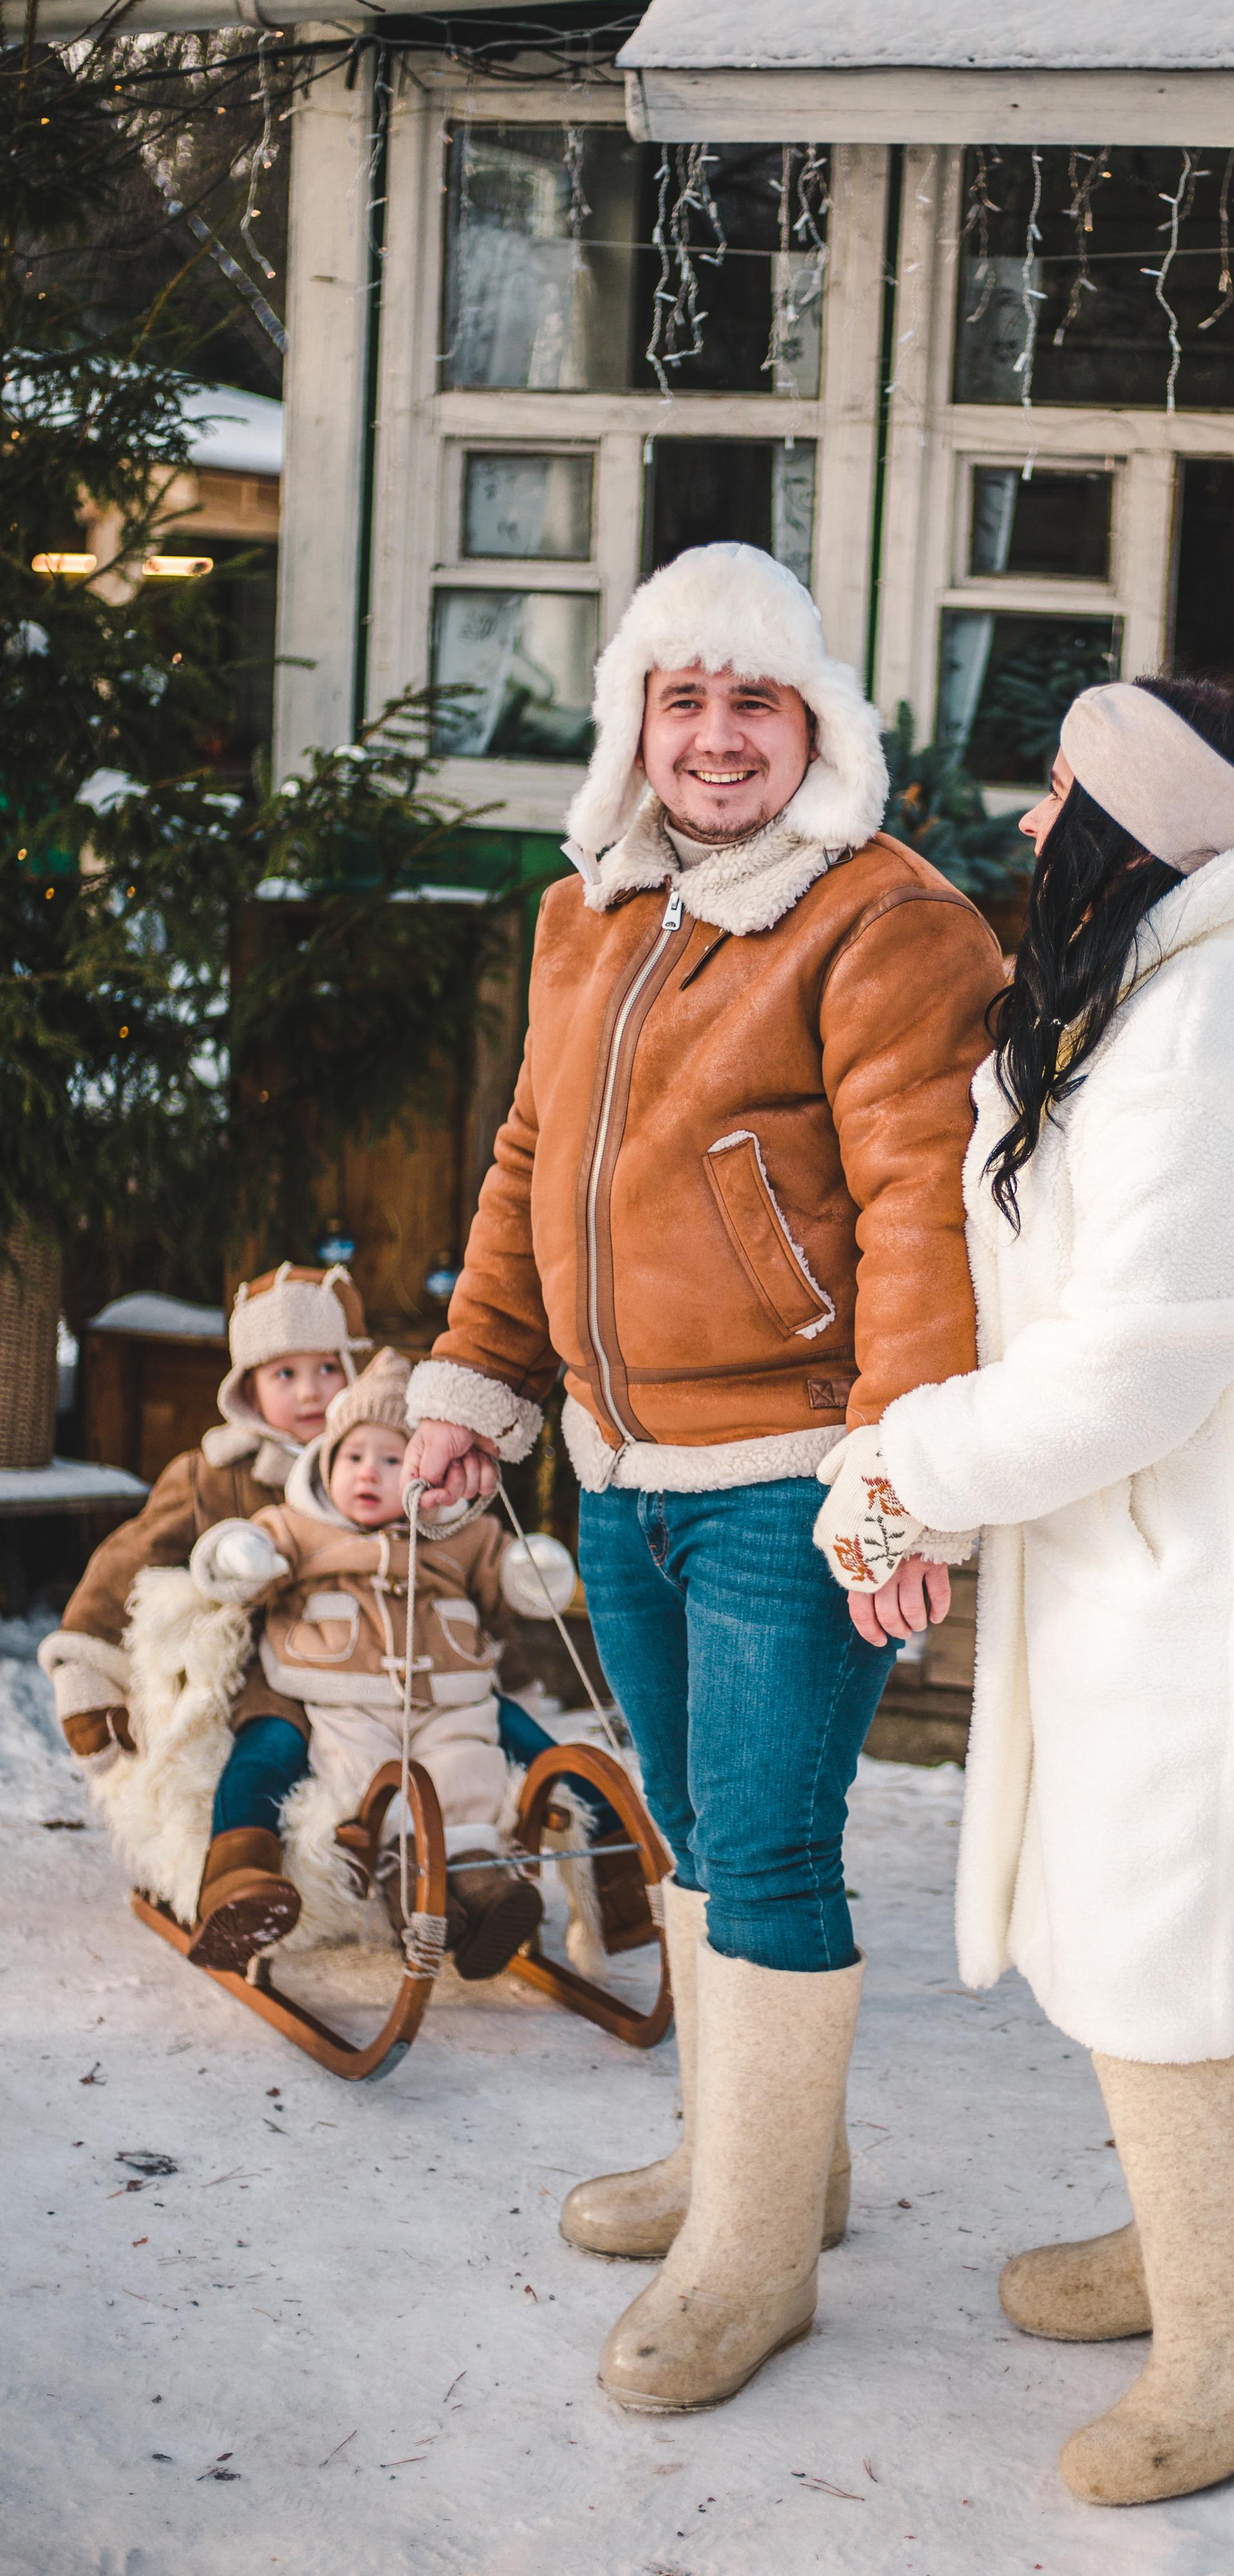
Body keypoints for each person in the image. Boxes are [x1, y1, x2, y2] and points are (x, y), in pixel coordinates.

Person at [814, 676, 1234, 2506]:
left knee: (1196, 1946)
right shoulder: (1183, 985)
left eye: (1057, 794)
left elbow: (1122, 1378)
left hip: (1226, 1594)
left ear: (1123, 828)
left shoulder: (1217, 1048)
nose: (1025, 827)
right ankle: (1200, 2248)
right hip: (1171, 1562)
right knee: (1156, 1932)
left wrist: (902, 1466)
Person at [403, 540, 1001, 2412]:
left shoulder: (884, 922)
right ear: (637, 723)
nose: (719, 736)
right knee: (685, 1823)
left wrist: (898, 1486)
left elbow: (925, 1219)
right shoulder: (591, 910)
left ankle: (751, 2256)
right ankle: (765, 2167)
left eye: (756, 700)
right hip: (618, 1462)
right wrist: (471, 1384)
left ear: (813, 722)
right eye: (685, 698)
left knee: (764, 1847)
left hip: (794, 1477)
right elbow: (527, 1165)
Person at [41, 1261, 622, 1970]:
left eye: (326, 1368)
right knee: (271, 1752)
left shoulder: (411, 1468)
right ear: (246, 1387)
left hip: (414, 1667)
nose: (311, 1390)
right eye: (283, 1375)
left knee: (519, 1731)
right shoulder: (215, 1471)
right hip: (278, 1674)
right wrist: (85, 1667)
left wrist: (509, 1661)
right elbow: (125, 1566)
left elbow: (461, 1582)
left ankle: (613, 1856)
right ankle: (242, 1879)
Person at [188, 1346, 581, 1978]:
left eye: (393, 1459)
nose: (368, 1473)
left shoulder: (459, 1534)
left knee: (467, 1773)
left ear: (426, 1472)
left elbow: (502, 1566)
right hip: (341, 1697)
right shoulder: (303, 1524)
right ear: (325, 1463)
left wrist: (530, 1572)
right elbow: (245, 1546)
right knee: (362, 1780)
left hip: (446, 1697)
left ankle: (485, 1892)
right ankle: (392, 1893)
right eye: (353, 1457)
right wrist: (242, 1556)